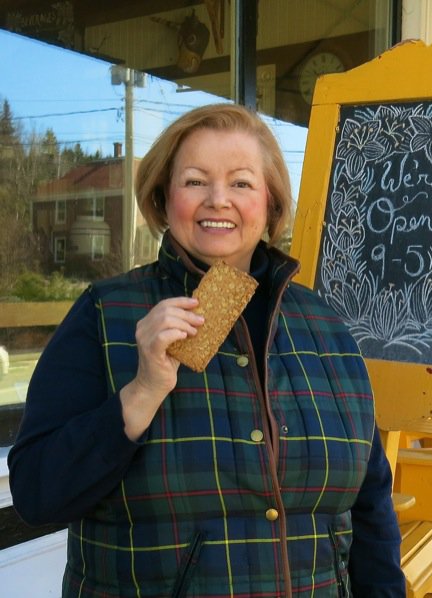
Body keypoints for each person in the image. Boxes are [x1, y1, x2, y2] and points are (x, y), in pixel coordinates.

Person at [9, 103, 404, 597]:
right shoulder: (106, 314)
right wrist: (142, 392)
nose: (219, 199)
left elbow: (370, 504)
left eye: (241, 182)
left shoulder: (324, 326)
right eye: (195, 181)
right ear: (163, 197)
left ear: (270, 202)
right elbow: (36, 494)